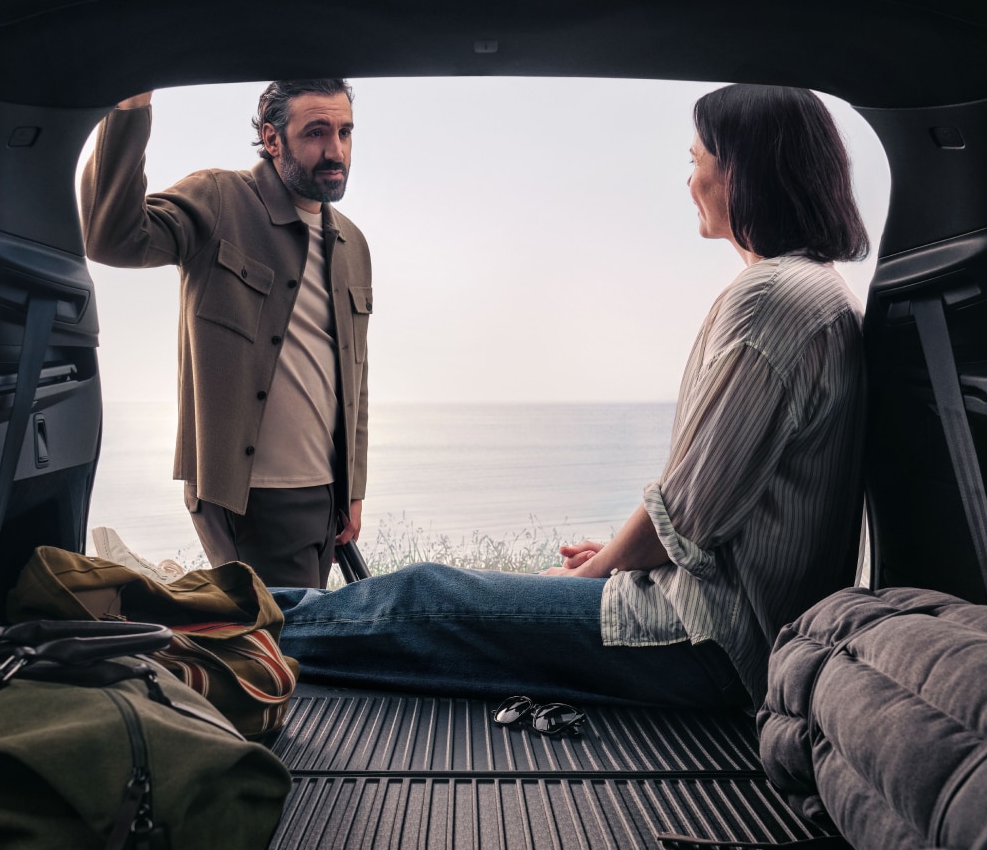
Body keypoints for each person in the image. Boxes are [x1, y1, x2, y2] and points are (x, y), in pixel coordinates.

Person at [272, 83, 869, 711]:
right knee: (440, 606)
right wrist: (617, 558)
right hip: (736, 627)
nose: (689, 180)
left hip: (708, 642)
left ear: (741, 172)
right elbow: (719, 505)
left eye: (696, 161)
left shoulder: (770, 300)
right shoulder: (819, 291)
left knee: (423, 596)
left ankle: (214, 631)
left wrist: (593, 572)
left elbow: (686, 516)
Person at [81, 80, 371, 589]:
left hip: (326, 495)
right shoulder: (220, 199)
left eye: (345, 131)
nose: (335, 150)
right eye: (317, 132)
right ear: (272, 138)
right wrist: (130, 105)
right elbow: (111, 236)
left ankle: (173, 592)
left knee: (292, 642)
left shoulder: (352, 242)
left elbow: (355, 375)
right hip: (250, 495)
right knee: (285, 645)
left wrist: (353, 487)